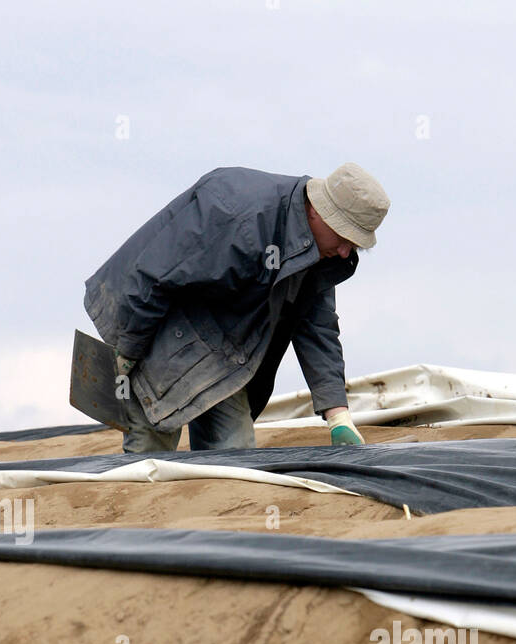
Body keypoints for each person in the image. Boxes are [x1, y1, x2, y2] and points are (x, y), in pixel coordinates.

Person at [83, 162, 390, 454]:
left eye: (355, 244)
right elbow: (155, 276)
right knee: (151, 455)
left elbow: (317, 326)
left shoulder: (319, 255)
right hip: (156, 322)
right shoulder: (237, 214)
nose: (345, 251)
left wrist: (338, 416)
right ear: (318, 212)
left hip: (223, 351)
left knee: (235, 455)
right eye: (343, 237)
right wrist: (127, 351)